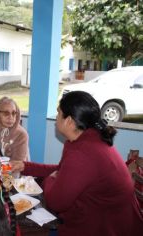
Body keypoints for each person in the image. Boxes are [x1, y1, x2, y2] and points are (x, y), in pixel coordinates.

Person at [11, 91, 143, 235]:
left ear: (69, 121)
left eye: (58, 113)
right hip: (105, 217)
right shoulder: (88, 139)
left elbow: (56, 201)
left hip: (107, 227)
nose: (56, 118)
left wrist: (51, 179)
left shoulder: (83, 152)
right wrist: (26, 166)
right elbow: (64, 171)